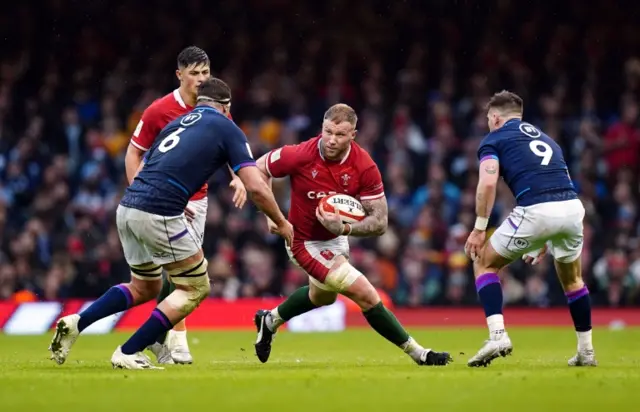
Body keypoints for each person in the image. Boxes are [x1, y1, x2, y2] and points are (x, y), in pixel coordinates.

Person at [49, 78, 293, 369]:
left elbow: (153, 163)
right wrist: (282, 221)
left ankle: (77, 322)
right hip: (158, 211)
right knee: (195, 287)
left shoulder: (177, 123)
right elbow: (256, 186)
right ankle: (129, 350)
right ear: (226, 107)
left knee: (144, 287)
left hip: (128, 206)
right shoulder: (228, 127)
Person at [252, 103, 452, 367]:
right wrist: (273, 216)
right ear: (321, 128)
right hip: (302, 240)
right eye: (328, 132)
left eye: (340, 134)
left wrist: (344, 229)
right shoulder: (300, 154)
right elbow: (258, 168)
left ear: (353, 135)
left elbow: (380, 222)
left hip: (336, 237)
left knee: (322, 296)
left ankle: (270, 320)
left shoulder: (364, 166)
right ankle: (420, 353)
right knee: (366, 294)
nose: (332, 140)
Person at [125, 45, 247, 364]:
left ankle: (155, 337)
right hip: (163, 202)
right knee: (184, 274)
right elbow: (133, 153)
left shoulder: (217, 106)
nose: (201, 79)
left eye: (205, 72)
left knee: (185, 274)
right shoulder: (158, 110)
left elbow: (231, 144)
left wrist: (237, 177)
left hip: (197, 200)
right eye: (194, 74)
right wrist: (141, 190)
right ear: (179, 75)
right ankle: (176, 341)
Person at [464, 90, 595, 367]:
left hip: (536, 210)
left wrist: (478, 228)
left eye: (489, 119)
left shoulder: (494, 139)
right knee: (573, 281)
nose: (488, 124)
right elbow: (557, 183)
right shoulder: (547, 139)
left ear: (496, 117)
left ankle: (497, 335)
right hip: (571, 208)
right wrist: (546, 237)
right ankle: (586, 352)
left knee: (484, 262)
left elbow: (487, 184)